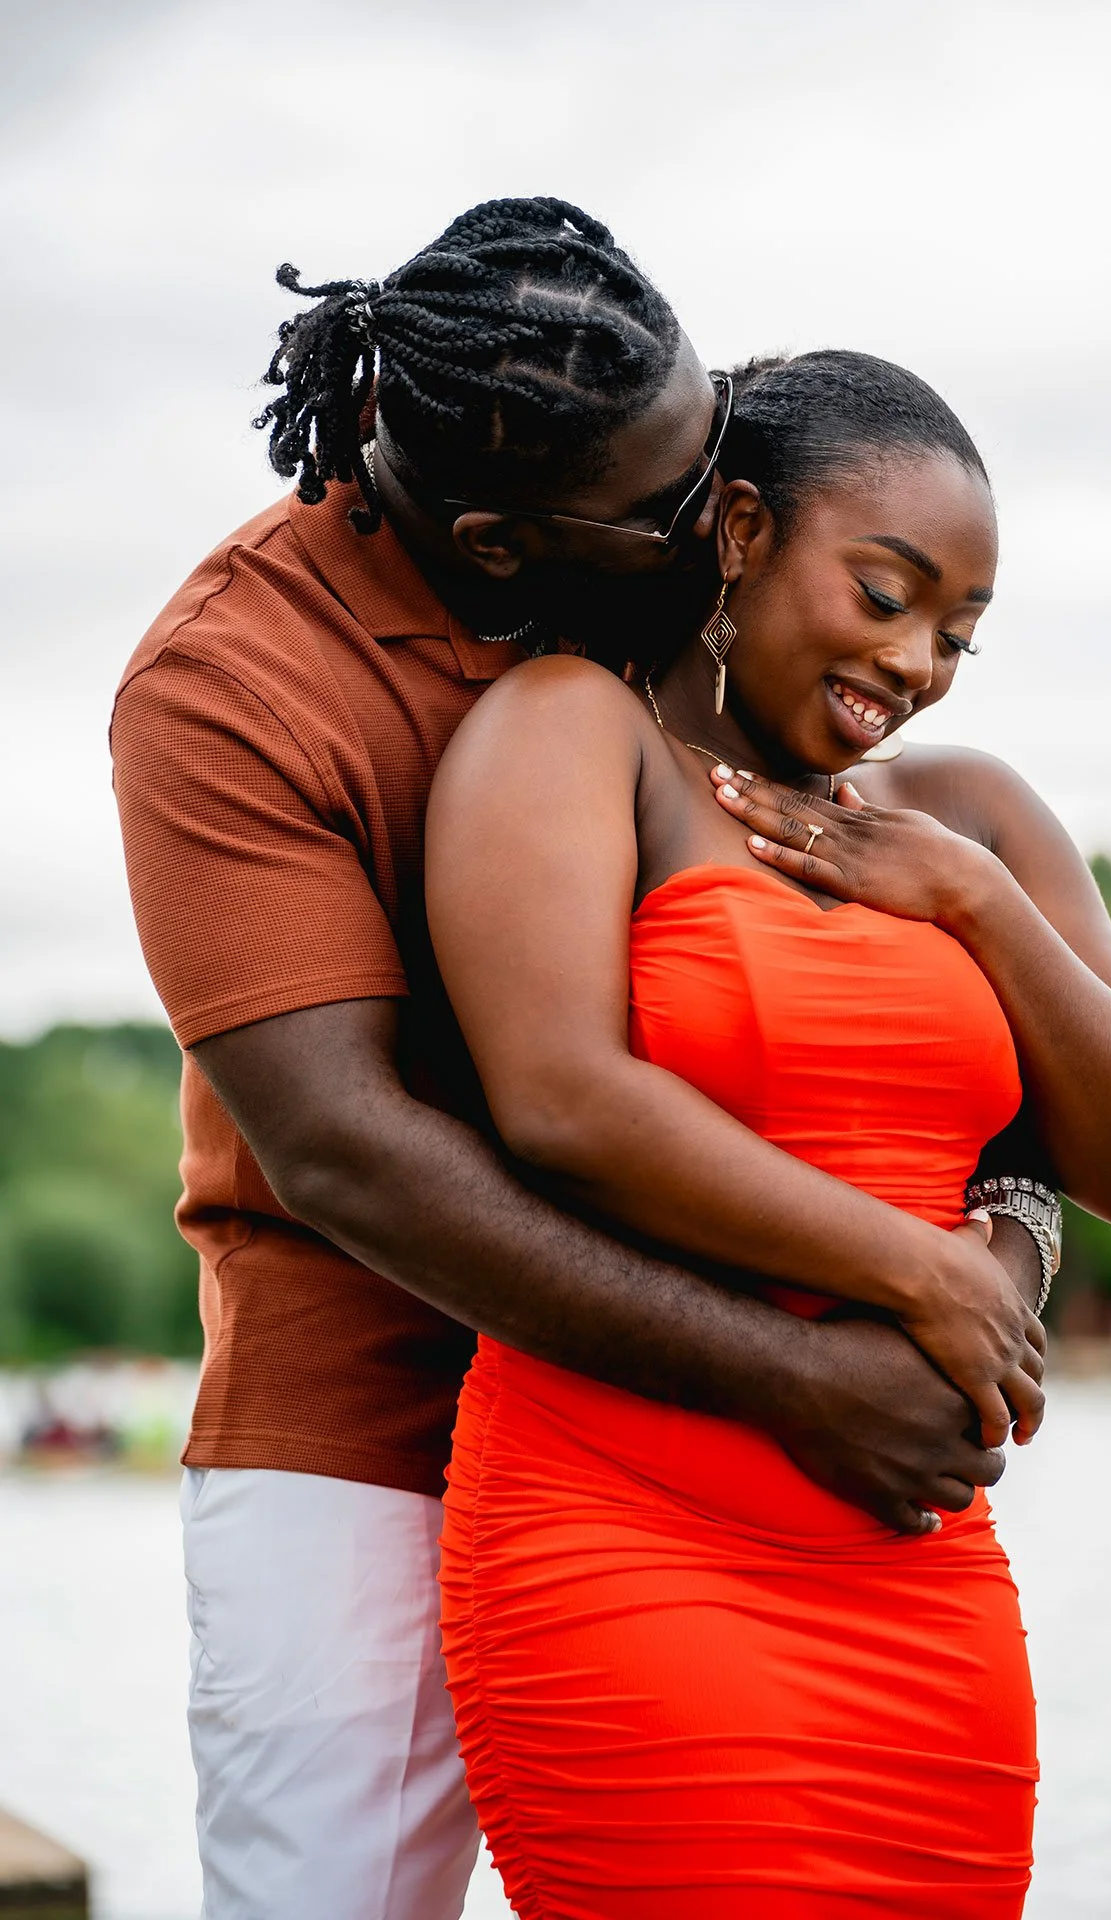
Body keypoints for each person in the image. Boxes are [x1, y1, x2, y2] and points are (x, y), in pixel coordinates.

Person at [111, 200, 1051, 1920]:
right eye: (681, 510)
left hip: (739, 1488)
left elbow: (899, 1002)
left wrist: (1009, 1220)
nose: (722, 526)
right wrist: (803, 1377)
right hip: (368, 1453)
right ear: (496, 535)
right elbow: (346, 1153)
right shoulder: (229, 689)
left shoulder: (630, 573)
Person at [426, 350, 1111, 1917]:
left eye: (960, 634)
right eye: (885, 592)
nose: (916, 660)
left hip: (916, 1569)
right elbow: (562, 1101)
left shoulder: (971, 816)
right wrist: (924, 1276)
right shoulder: (581, 736)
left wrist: (973, 900)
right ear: (739, 532)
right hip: (625, 1538)